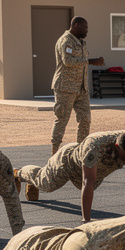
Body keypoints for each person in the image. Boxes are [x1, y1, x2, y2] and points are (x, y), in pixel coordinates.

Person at [14, 130, 125, 221]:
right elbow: (87, 182)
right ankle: (20, 173)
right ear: (117, 147)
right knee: (46, 184)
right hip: (68, 163)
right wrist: (86, 220)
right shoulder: (95, 146)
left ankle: (33, 179)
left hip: (94, 170)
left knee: (89, 186)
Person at [50, 17, 105, 154]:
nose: (87, 30)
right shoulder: (66, 41)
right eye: (85, 27)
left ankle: (82, 151)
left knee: (85, 119)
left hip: (81, 88)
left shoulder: (81, 43)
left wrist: (90, 61)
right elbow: (68, 61)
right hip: (65, 87)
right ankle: (54, 151)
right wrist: (91, 61)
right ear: (75, 25)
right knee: (62, 120)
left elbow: (81, 63)